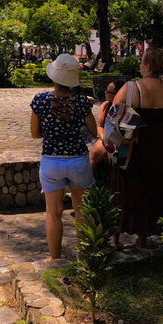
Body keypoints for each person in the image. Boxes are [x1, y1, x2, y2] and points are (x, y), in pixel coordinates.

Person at [110, 46, 163, 249]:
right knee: (156, 189)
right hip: (160, 149)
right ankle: (143, 237)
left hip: (133, 147)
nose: (140, 65)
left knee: (125, 189)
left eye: (142, 61)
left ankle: (115, 236)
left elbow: (113, 115)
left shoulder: (130, 88)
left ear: (148, 65)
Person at [30, 54, 97, 260]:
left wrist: (52, 133)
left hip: (51, 159)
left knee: (53, 212)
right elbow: (94, 132)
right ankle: (84, 256)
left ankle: (55, 258)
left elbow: (35, 133)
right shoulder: (82, 102)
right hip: (78, 159)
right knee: (81, 211)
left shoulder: (40, 101)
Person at [89, 79, 125, 188]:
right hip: (106, 137)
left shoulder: (125, 108)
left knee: (122, 160)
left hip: (122, 140)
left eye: (108, 92)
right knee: (93, 155)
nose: (105, 93)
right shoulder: (106, 105)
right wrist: (105, 140)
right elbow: (99, 125)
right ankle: (85, 187)